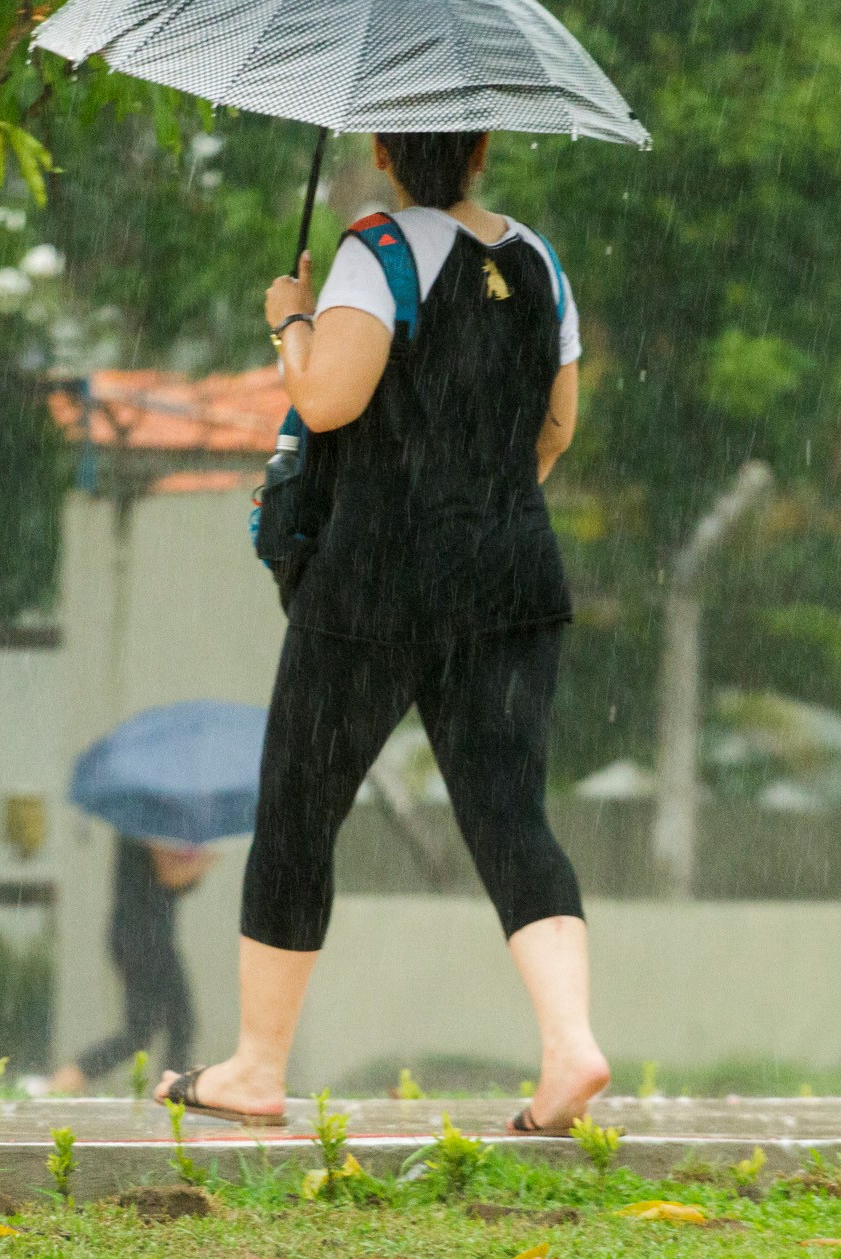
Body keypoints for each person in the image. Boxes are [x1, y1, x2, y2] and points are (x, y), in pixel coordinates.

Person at [156, 131, 608, 1135]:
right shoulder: (539, 262)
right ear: (481, 146)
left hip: (374, 585)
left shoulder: (378, 252)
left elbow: (325, 400)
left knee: (299, 811)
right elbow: (555, 430)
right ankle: (570, 1047)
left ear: (382, 147)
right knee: (510, 815)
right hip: (512, 575)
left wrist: (292, 320)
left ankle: (255, 1068)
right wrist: (479, 505)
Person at [49, 837, 212, 1094]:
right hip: (142, 938)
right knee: (159, 1028)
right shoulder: (149, 826)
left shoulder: (158, 827)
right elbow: (171, 875)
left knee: (169, 1026)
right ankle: (67, 1079)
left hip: (149, 937)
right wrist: (208, 858)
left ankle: (171, 1092)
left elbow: (176, 884)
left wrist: (194, 864)